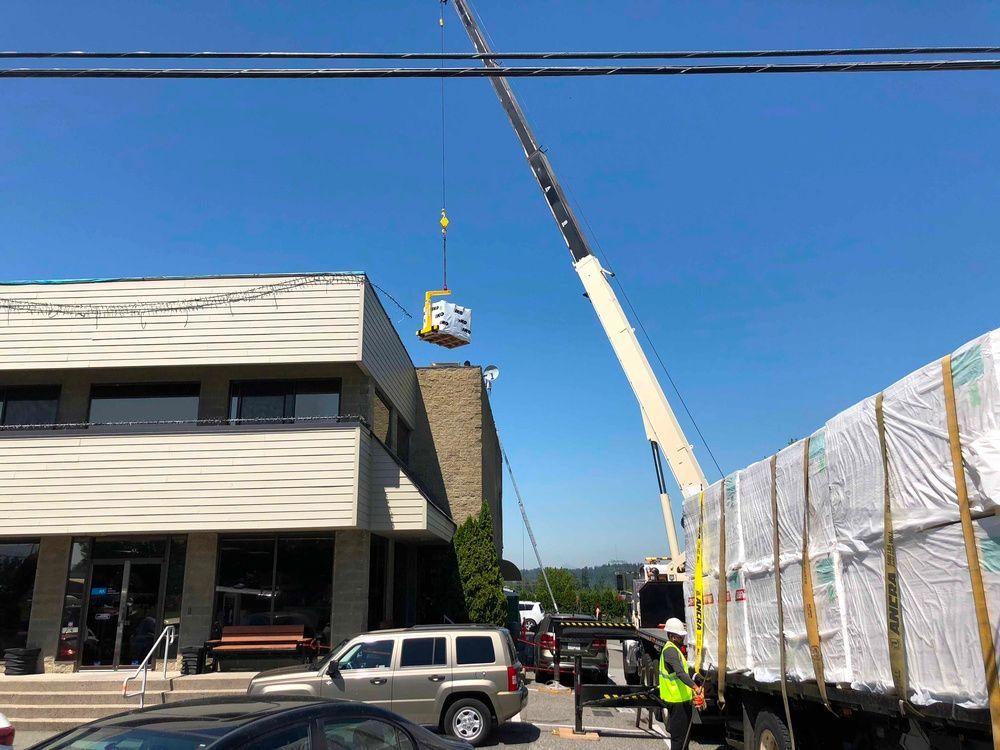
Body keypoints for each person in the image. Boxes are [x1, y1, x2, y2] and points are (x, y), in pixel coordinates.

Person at [658, 617, 702, 750]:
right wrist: (695, 687)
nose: (683, 638)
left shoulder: (675, 649)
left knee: (684, 740)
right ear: (672, 636)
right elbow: (680, 673)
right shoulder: (670, 651)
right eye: (680, 636)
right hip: (676, 703)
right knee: (679, 741)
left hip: (681, 701)